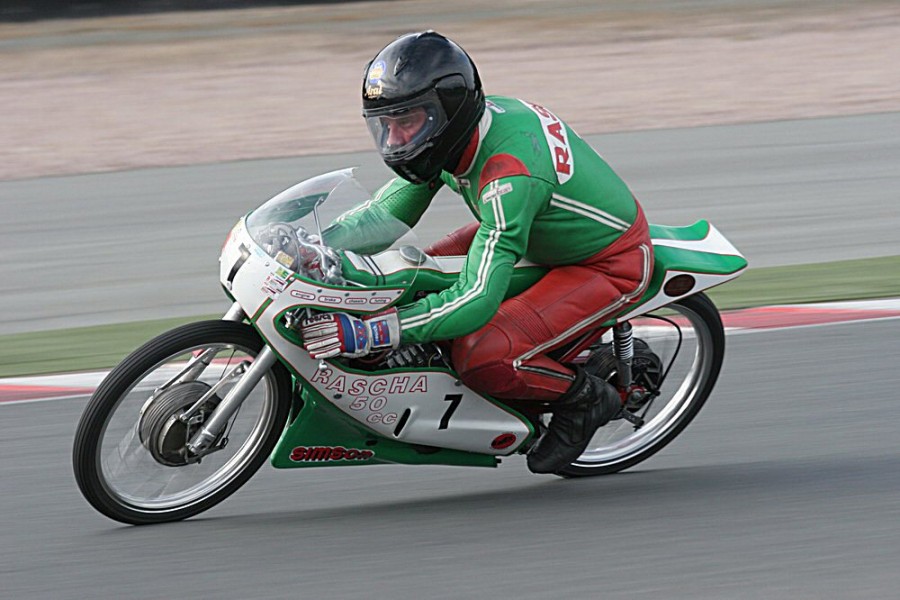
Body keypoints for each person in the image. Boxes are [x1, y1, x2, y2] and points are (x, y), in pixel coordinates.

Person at [300, 31, 654, 475]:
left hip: (605, 262)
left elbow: (476, 298)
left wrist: (374, 333)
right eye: (384, 125)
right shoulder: (457, 129)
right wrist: (311, 248)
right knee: (411, 276)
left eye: (405, 121)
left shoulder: (508, 172)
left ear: (447, 111)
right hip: (530, 229)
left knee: (482, 354)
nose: (394, 139)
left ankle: (584, 398)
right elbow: (384, 217)